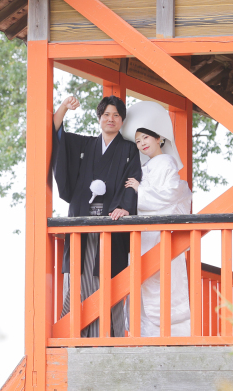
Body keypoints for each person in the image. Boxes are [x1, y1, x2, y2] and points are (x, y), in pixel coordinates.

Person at [52, 95, 142, 337]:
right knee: (78, 279)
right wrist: (63, 107)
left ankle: (107, 336)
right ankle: (72, 333)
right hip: (83, 223)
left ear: (122, 120)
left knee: (107, 282)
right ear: (99, 118)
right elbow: (55, 132)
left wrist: (125, 206)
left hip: (111, 226)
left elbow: (133, 181)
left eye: (115, 115)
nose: (110, 119)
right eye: (106, 115)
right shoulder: (85, 146)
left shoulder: (128, 150)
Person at [121, 101, 192, 337]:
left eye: (146, 138)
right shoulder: (149, 166)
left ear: (159, 138)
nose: (141, 144)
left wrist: (139, 191)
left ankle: (167, 335)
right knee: (145, 286)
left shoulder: (165, 163)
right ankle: (144, 335)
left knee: (162, 285)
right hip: (146, 236)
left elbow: (169, 196)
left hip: (157, 234)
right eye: (138, 140)